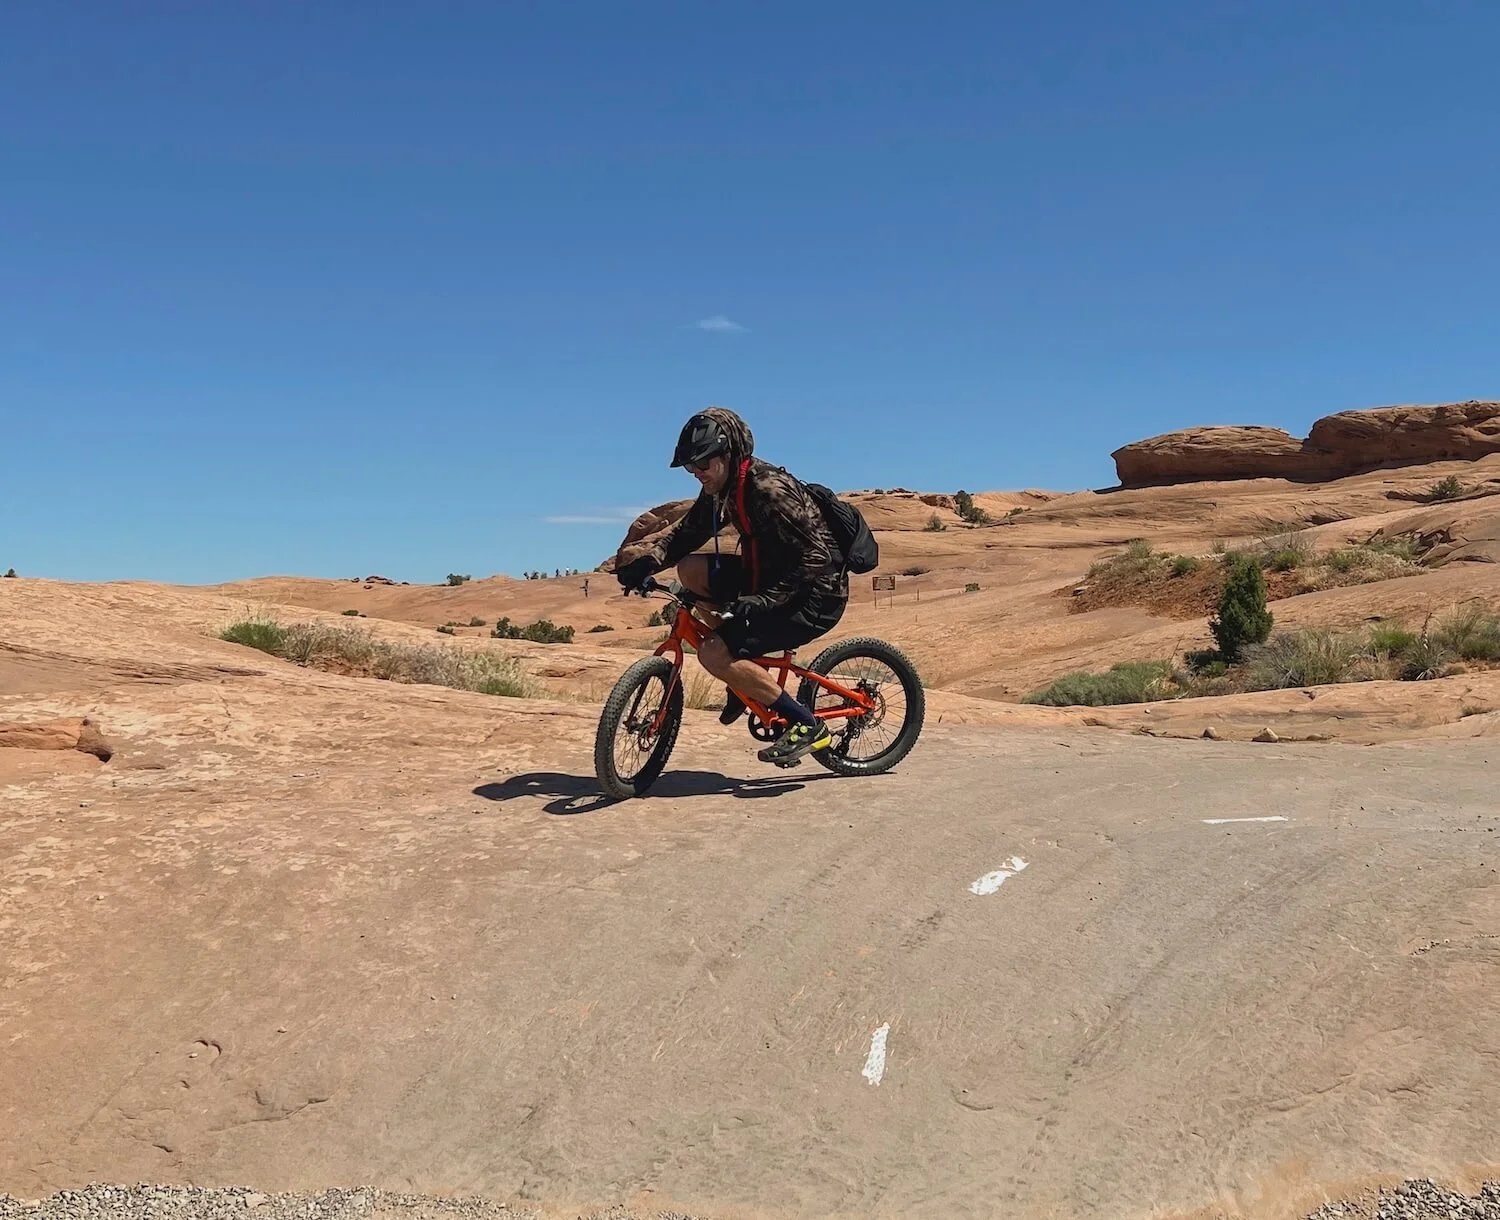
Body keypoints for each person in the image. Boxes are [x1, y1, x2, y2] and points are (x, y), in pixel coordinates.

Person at [614, 408, 848, 766]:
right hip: (768, 578)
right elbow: (687, 533)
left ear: (726, 455)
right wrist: (647, 562)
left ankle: (807, 724)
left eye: (702, 466)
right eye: (692, 470)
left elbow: (816, 558)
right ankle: (745, 674)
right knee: (690, 568)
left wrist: (763, 601)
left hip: (816, 594)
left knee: (712, 653)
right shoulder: (725, 487)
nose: (698, 475)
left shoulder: (768, 491)